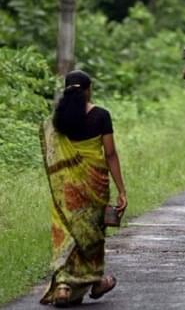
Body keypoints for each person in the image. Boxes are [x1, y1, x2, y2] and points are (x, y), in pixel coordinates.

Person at [39, 70, 127, 306]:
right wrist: (122, 190)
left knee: (67, 233)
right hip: (95, 186)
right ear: (89, 89)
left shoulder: (56, 120)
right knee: (92, 234)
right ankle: (95, 281)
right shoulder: (101, 116)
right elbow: (110, 154)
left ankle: (64, 285)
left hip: (66, 189)